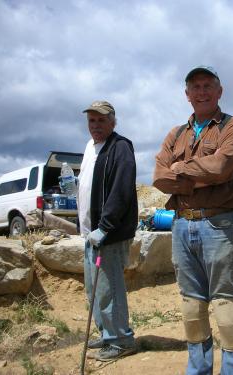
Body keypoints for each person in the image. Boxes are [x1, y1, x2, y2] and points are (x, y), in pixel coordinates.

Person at [153, 66, 233, 375]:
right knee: (192, 307)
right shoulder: (176, 133)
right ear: (187, 95)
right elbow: (158, 176)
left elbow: (222, 166)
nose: (202, 91)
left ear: (219, 91)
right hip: (181, 224)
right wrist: (200, 176)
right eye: (195, 87)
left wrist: (180, 170)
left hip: (220, 225)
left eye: (208, 85)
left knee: (225, 307)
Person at [78, 100, 138, 362]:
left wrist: (105, 227)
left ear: (113, 122)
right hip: (90, 234)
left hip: (108, 234)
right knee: (93, 287)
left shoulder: (120, 147)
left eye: (101, 120)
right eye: (92, 120)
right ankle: (107, 334)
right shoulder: (90, 148)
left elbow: (121, 190)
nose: (96, 125)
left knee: (108, 288)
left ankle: (121, 340)